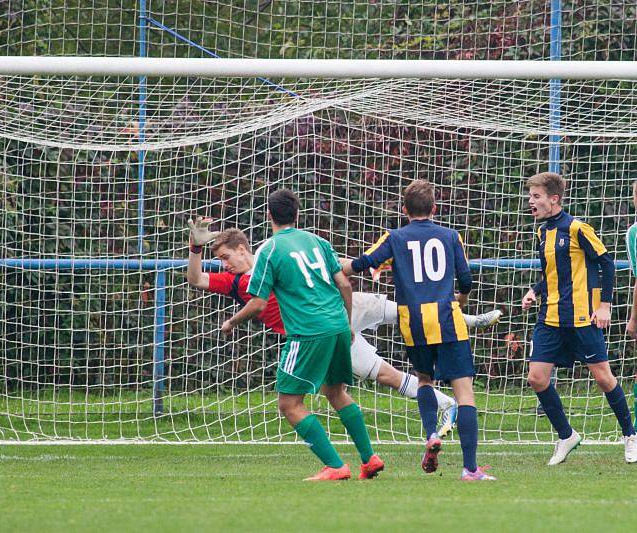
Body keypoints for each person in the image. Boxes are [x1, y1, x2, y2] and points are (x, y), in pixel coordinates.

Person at [187, 223, 502, 438]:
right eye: (220, 259)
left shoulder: (278, 255)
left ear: (243, 248)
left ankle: (470, 319)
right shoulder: (237, 282)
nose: (224, 264)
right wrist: (195, 248)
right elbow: (196, 280)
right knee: (384, 375)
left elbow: (331, 264)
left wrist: (370, 264)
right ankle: (445, 403)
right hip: (327, 333)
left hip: (336, 314)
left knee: (407, 311)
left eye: (226, 257)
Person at [219, 188, 382, 481]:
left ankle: (335, 466)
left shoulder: (268, 250)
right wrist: (345, 323)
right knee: (335, 392)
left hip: (308, 332)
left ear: (269, 216)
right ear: (297, 213)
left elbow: (257, 304)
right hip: (337, 326)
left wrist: (232, 322)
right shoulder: (317, 241)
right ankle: (369, 458)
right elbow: (345, 285)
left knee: (289, 403)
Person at [345, 179, 495, 481]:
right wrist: (461, 300)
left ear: (404, 210)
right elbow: (465, 280)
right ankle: (470, 469)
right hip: (446, 317)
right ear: (434, 209)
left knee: (424, 379)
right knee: (464, 391)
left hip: (412, 321)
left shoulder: (395, 237)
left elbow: (362, 263)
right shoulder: (451, 236)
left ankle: (429, 434)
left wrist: (330, 268)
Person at [522, 172, 636, 464]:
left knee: (603, 378)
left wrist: (605, 306)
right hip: (549, 319)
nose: (530, 201)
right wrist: (534, 291)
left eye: (536, 196)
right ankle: (566, 435)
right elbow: (551, 274)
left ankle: (630, 435)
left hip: (583, 319)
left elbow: (606, 264)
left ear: (554, 199)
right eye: (530, 196)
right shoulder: (541, 232)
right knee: (537, 378)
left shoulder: (577, 228)